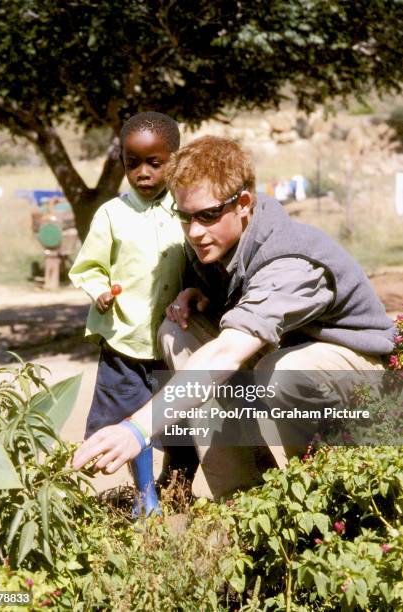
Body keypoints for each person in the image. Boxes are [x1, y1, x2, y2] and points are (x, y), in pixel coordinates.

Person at [73, 135, 395, 500]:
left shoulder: (291, 260)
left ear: (243, 203)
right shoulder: (217, 244)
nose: (194, 231)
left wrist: (137, 428)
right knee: (178, 332)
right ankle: (246, 499)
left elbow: (228, 351)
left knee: (281, 371)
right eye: (184, 216)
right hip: (285, 353)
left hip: (362, 376)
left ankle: (329, 497)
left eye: (207, 215)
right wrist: (200, 294)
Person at [69, 112, 197, 516]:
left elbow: (200, 262)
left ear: (174, 160)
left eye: (154, 163)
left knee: (182, 422)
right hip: (125, 340)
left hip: (173, 340)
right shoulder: (112, 214)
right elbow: (88, 267)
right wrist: (99, 290)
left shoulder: (186, 209)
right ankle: (146, 497)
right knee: (131, 419)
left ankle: (179, 486)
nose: (142, 173)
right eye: (132, 163)